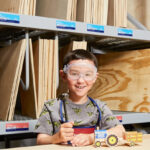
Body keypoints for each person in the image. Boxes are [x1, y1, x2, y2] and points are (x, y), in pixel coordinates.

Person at [34, 49, 125, 146]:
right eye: (74, 74)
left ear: (94, 78)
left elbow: (120, 131)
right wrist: (55, 138)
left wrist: (92, 137)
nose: (81, 80)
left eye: (87, 75)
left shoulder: (99, 107)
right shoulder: (51, 107)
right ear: (63, 75)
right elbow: (40, 140)